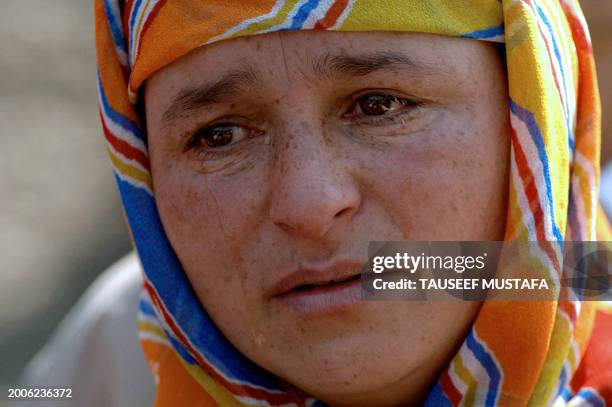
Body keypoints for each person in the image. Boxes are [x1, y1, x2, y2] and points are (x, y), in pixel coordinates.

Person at [88, 0, 612, 405]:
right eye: (219, 135)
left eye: (379, 106)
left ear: (535, 114)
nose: (309, 204)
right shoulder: (109, 358)